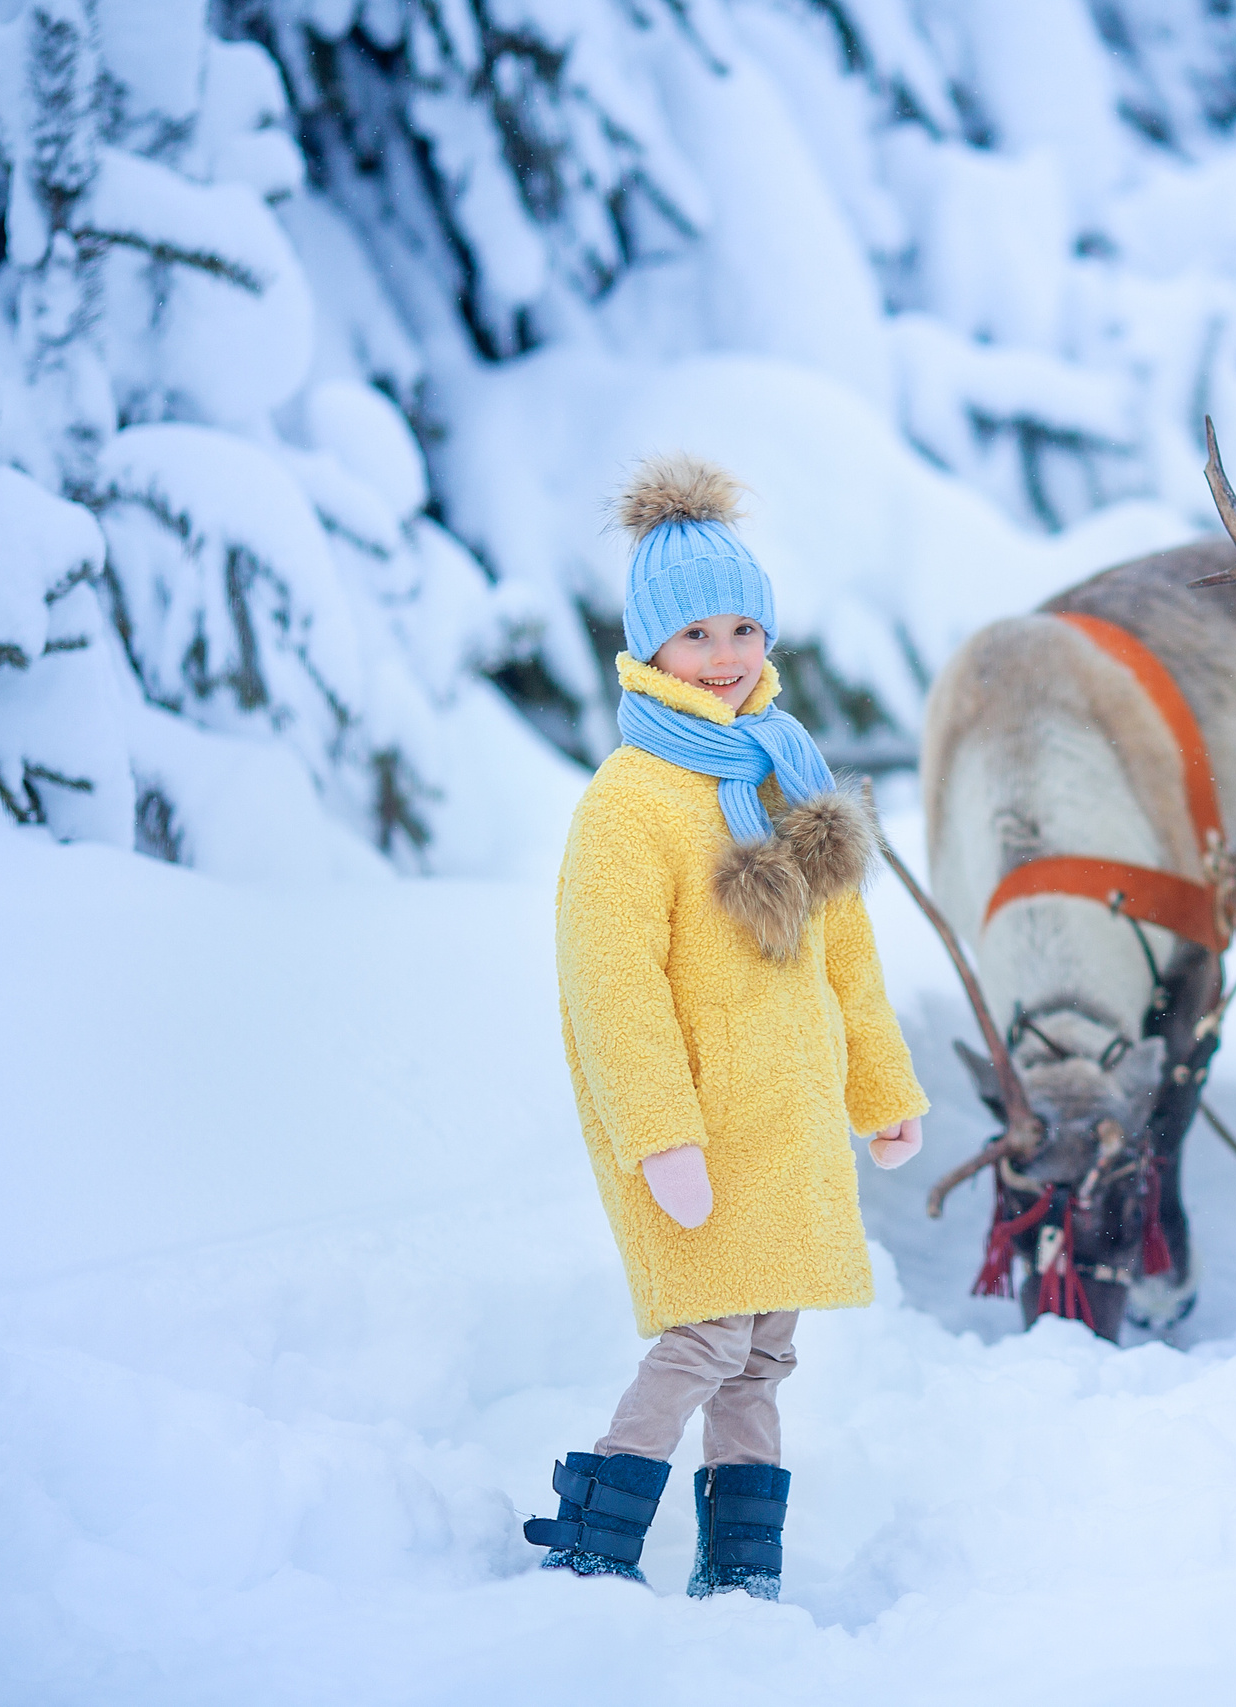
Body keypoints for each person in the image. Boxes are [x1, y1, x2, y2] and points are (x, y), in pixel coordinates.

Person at [523, 453, 928, 1599]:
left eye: (743, 628)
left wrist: (881, 1092)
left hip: (785, 1128)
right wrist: (661, 1134)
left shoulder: (783, 773)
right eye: (695, 634)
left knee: (762, 1355)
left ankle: (742, 1567)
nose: (725, 654)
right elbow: (611, 987)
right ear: (648, 650)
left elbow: (846, 955)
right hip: (698, 1135)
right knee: (705, 1338)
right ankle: (595, 1537)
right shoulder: (630, 801)